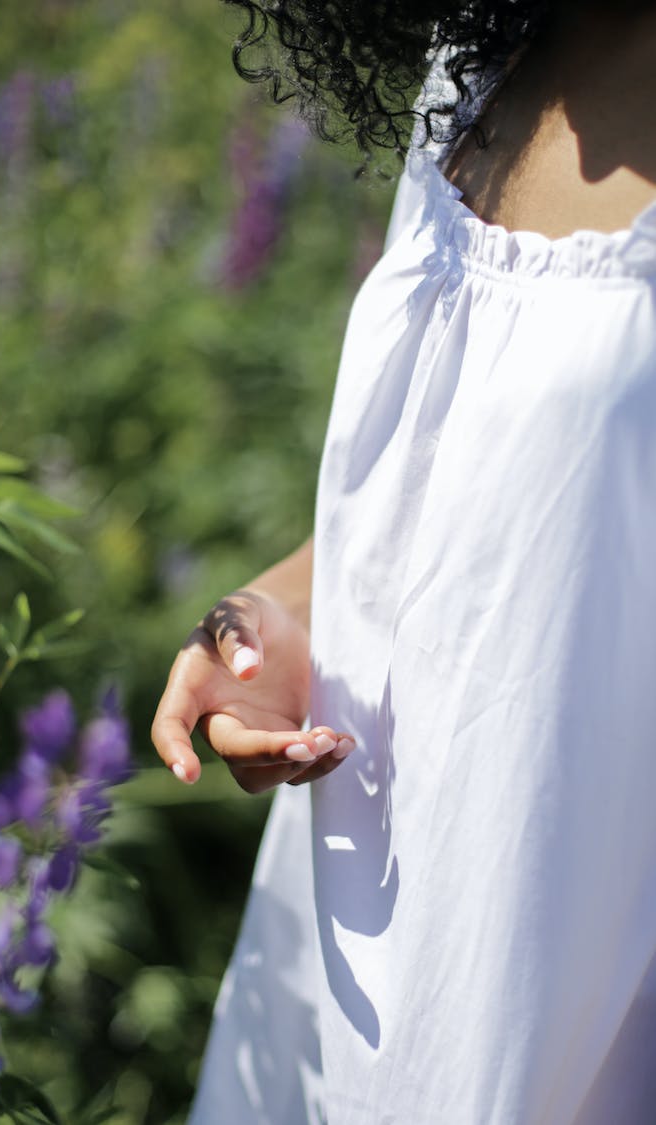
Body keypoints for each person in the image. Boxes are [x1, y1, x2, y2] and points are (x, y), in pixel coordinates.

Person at [152, 1, 656, 1121]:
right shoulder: (490, 55)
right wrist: (263, 620)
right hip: (347, 937)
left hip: (566, 970)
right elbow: (461, 508)